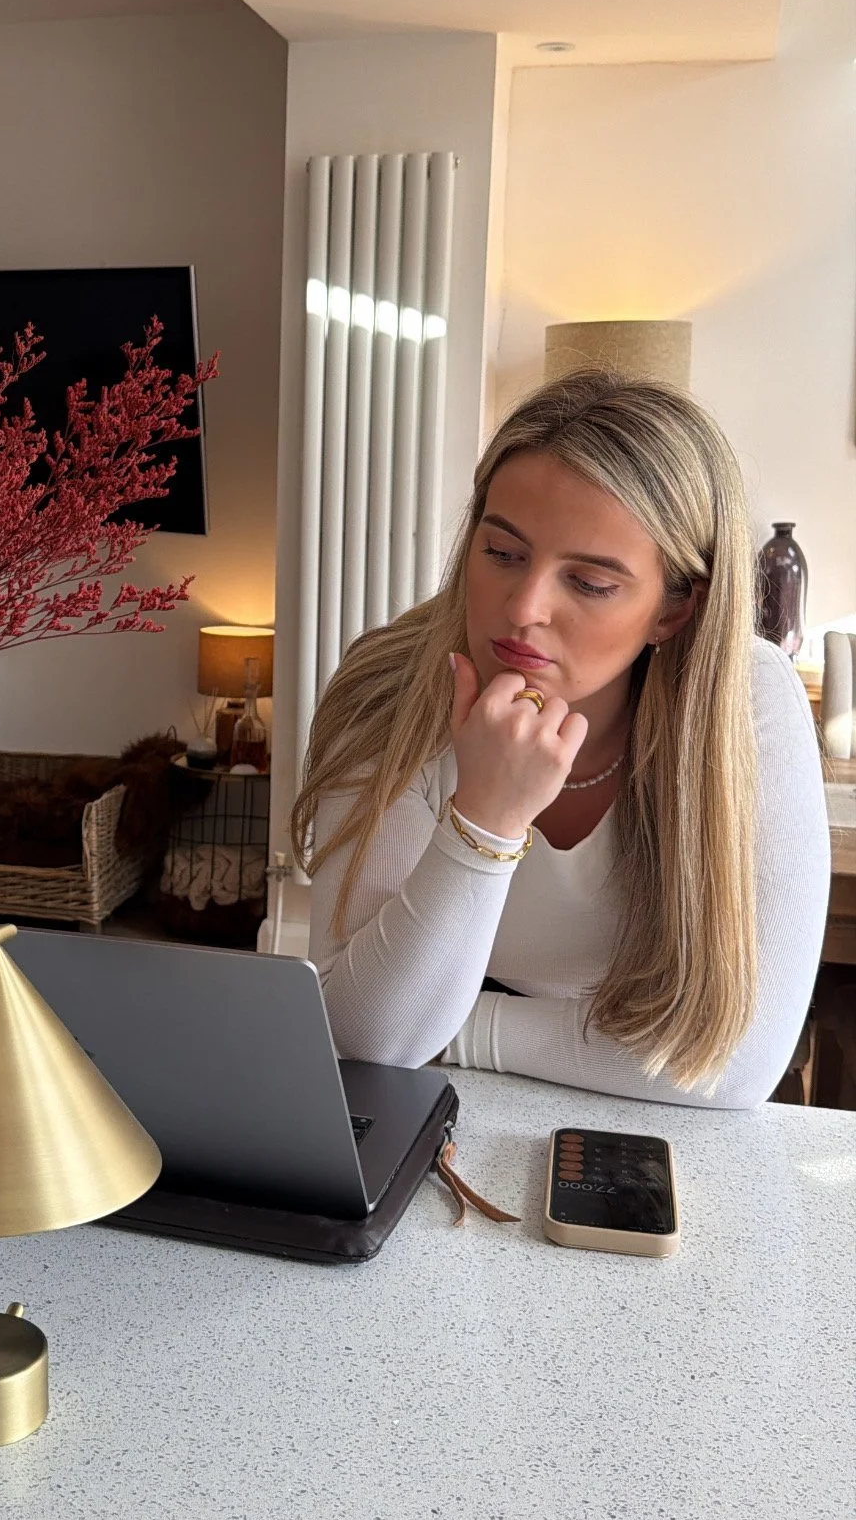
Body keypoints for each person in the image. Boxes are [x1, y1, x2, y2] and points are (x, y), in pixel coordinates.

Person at [294, 372, 829, 1109]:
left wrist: (456, 1027)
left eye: (590, 582)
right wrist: (484, 818)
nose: (524, 608)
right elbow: (371, 1038)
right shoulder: (388, 689)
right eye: (504, 554)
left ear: (675, 608)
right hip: (430, 1106)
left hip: (630, 1126)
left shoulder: (747, 703)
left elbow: (730, 1063)